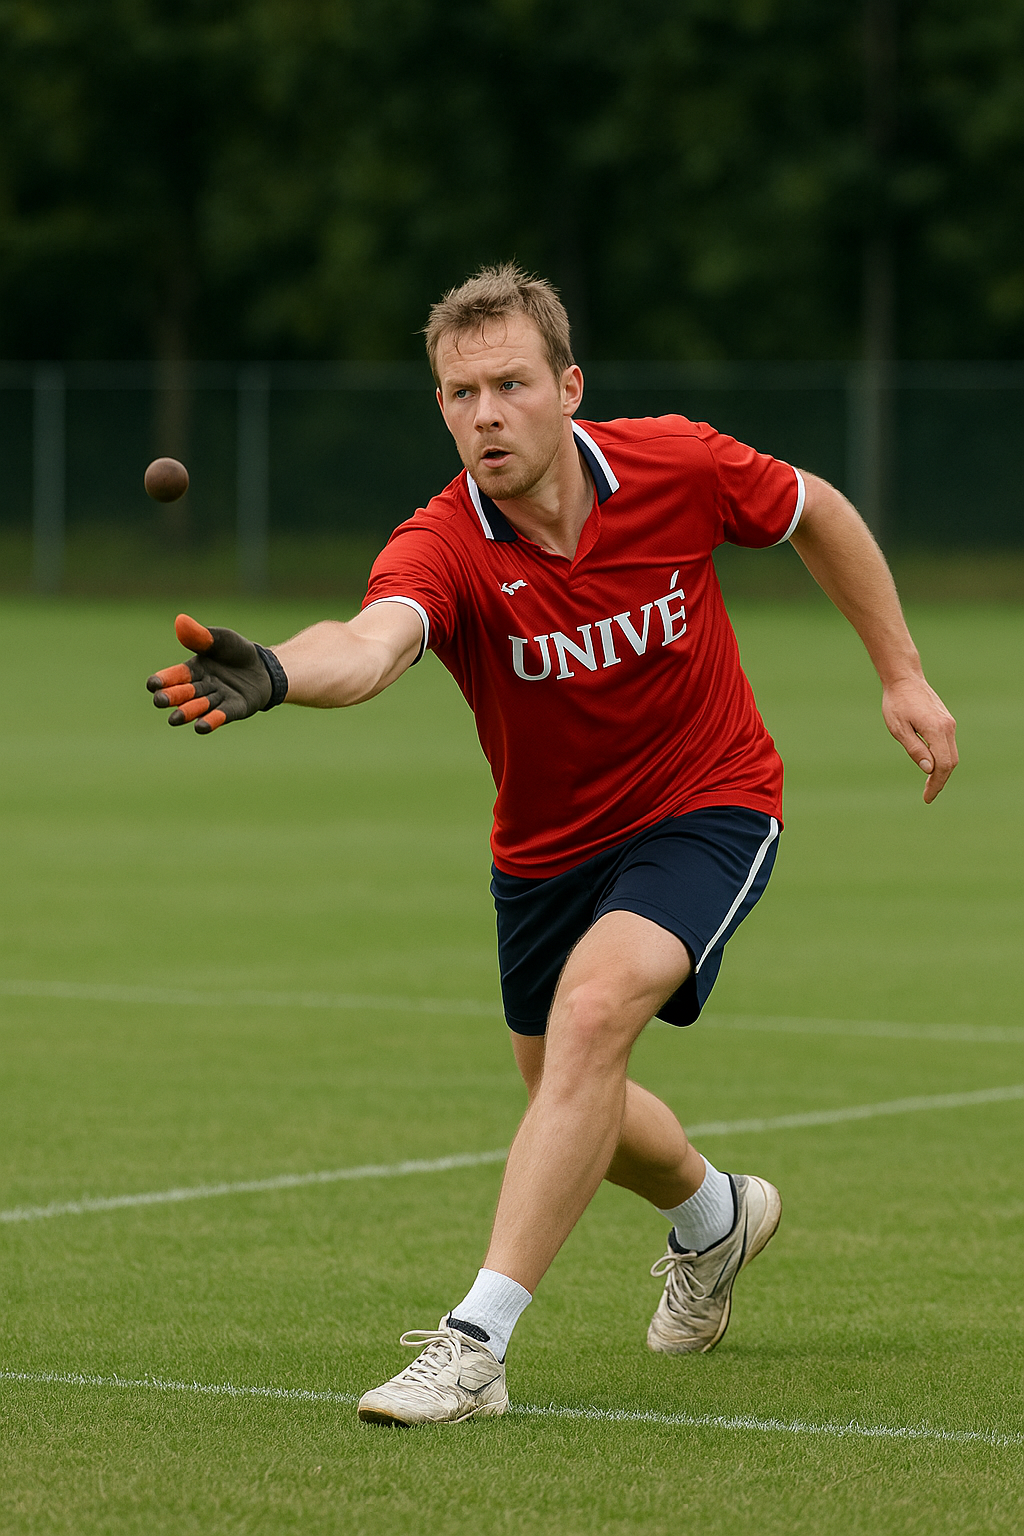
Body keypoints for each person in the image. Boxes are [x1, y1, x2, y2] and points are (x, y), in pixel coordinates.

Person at [147, 263, 958, 1428]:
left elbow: (814, 509)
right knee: (566, 1092)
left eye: (510, 384)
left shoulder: (674, 464)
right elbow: (371, 644)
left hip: (709, 800)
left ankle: (475, 1344)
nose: (486, 412)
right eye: (460, 391)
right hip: (544, 850)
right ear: (440, 406)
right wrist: (278, 669)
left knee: (590, 1019)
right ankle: (714, 1217)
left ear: (567, 386)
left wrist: (902, 672)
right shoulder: (443, 542)